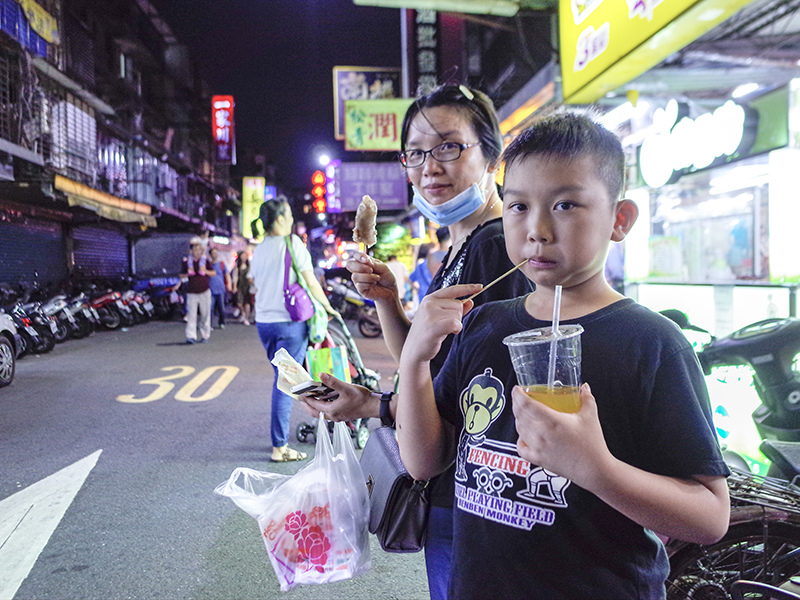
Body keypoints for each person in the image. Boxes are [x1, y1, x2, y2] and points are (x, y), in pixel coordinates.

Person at [395, 110, 731, 598]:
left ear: (620, 219)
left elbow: (710, 517)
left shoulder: (652, 343)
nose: (537, 229)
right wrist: (415, 362)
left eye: (567, 205)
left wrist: (597, 470)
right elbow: (425, 462)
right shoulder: (484, 324)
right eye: (517, 207)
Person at [301, 84, 533, 599]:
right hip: (459, 490)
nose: (430, 166)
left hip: (479, 498)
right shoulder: (462, 244)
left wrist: (373, 404)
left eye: (450, 146)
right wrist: (388, 301)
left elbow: (464, 404)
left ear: (491, 153)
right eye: (416, 152)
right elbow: (424, 359)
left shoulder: (494, 249)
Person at [249, 198, 338, 463]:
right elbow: (310, 280)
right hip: (289, 322)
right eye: (288, 215)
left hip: (264, 323)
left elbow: (255, 284)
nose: (291, 219)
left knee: (287, 378)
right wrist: (328, 306)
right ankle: (279, 447)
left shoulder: (259, 249)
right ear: (279, 219)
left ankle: (320, 411)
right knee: (286, 384)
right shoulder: (292, 243)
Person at [179, 236, 216, 344]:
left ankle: (205, 335)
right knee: (191, 315)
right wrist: (187, 273)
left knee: (205, 314)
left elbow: (213, 273)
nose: (197, 252)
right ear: (191, 251)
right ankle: (191, 336)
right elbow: (181, 275)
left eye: (199, 249)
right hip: (191, 292)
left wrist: (205, 271)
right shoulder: (186, 262)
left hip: (204, 291)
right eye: (195, 249)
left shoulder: (205, 261)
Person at [208, 248, 230, 328]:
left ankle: (221, 322)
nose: (215, 255)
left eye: (216, 253)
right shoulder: (208, 265)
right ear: (210, 255)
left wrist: (229, 284)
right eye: (213, 253)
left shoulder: (221, 264)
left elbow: (227, 274)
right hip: (210, 289)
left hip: (220, 289)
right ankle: (209, 324)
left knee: (222, 308)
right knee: (210, 308)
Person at [232, 253, 253, 326]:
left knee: (247, 302)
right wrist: (234, 286)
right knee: (239, 303)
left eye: (245, 256)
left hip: (248, 286)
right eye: (242, 256)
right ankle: (243, 313)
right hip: (240, 286)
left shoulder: (250, 266)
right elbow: (235, 277)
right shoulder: (237, 266)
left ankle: (246, 318)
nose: (243, 257)